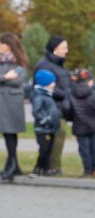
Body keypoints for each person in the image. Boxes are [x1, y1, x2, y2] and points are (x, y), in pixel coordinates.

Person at [0, 33, 29, 182]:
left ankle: (11, 163)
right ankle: (14, 163)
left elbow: (18, 81)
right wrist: (5, 77)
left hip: (12, 101)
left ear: (9, 45)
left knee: (11, 132)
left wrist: (3, 79)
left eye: (1, 44)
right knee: (6, 133)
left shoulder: (19, 61)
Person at [34, 36, 72, 175]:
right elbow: (42, 87)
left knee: (58, 137)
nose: (66, 51)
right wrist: (65, 94)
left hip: (61, 107)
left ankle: (46, 167)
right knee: (55, 138)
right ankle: (52, 168)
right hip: (51, 109)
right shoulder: (44, 65)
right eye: (64, 47)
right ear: (55, 49)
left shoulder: (57, 65)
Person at [29, 69, 60, 178]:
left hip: (50, 128)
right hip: (43, 128)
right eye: (52, 82)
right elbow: (36, 111)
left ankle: (46, 169)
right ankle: (37, 168)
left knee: (48, 150)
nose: (54, 84)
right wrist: (45, 120)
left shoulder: (47, 95)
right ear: (46, 83)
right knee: (44, 149)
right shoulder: (39, 96)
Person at [69, 69, 95, 176]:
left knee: (84, 150)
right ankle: (93, 169)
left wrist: (72, 117)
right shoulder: (92, 94)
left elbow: (67, 109)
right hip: (93, 125)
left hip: (79, 125)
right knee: (93, 148)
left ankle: (87, 169)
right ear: (89, 82)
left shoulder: (71, 93)